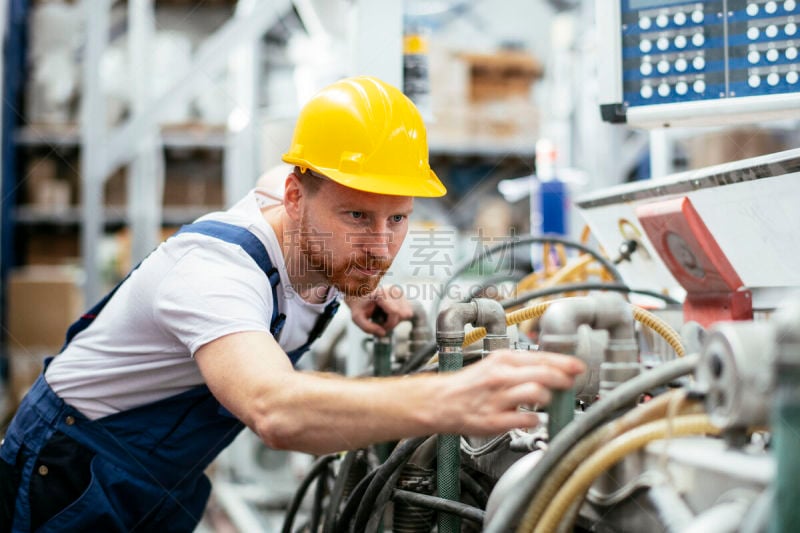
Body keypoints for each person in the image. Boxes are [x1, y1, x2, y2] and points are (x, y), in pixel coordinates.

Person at [0, 76, 584, 532]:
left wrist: (355, 284)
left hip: (153, 477)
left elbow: (321, 204)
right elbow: (275, 410)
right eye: (357, 216)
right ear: (295, 198)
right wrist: (449, 397)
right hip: (70, 471)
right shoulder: (214, 272)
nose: (380, 245)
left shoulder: (306, 219)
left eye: (398, 219)